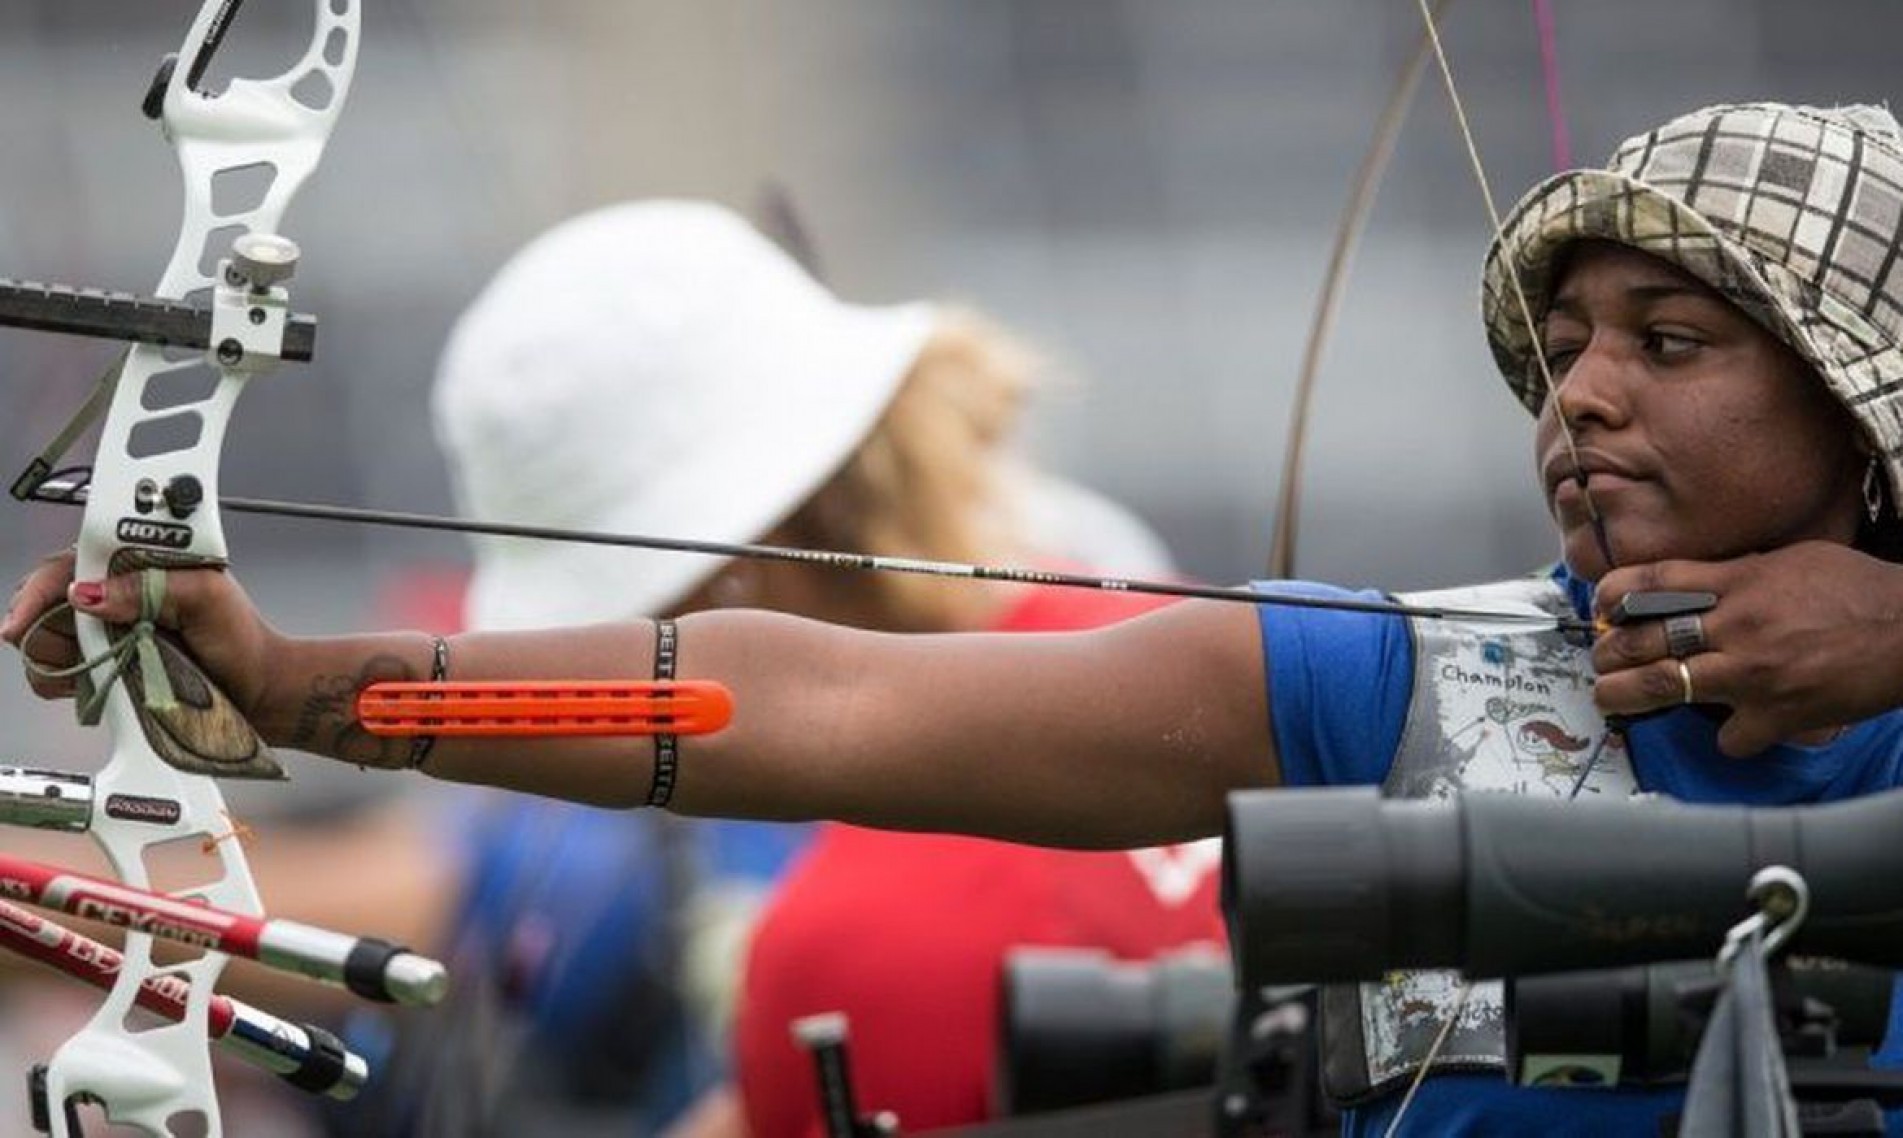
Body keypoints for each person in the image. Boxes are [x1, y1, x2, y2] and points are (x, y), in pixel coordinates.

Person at [11, 101, 1903, 1135]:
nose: (1577, 397)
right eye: (1559, 349)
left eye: (1666, 346)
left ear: (1855, 400)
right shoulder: (1401, 678)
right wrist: (312, 687)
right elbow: (791, 707)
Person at [417, 198, 1220, 1136]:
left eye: (632, 638)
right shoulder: (1201, 645)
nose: (608, 697)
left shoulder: (835, 956)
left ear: (739, 575)